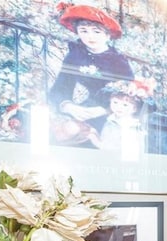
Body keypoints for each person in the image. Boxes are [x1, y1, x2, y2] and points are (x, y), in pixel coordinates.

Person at [48, 5, 134, 145]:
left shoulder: (118, 62)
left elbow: (129, 97)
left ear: (107, 35)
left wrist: (103, 110)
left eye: (96, 32)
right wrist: (67, 105)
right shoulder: (75, 55)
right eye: (84, 31)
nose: (90, 36)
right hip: (72, 112)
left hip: (105, 116)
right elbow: (60, 86)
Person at [93, 80, 154, 161]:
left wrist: (96, 141)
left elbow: (128, 155)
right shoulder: (111, 120)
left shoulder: (130, 126)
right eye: (115, 102)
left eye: (125, 105)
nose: (119, 107)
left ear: (134, 108)